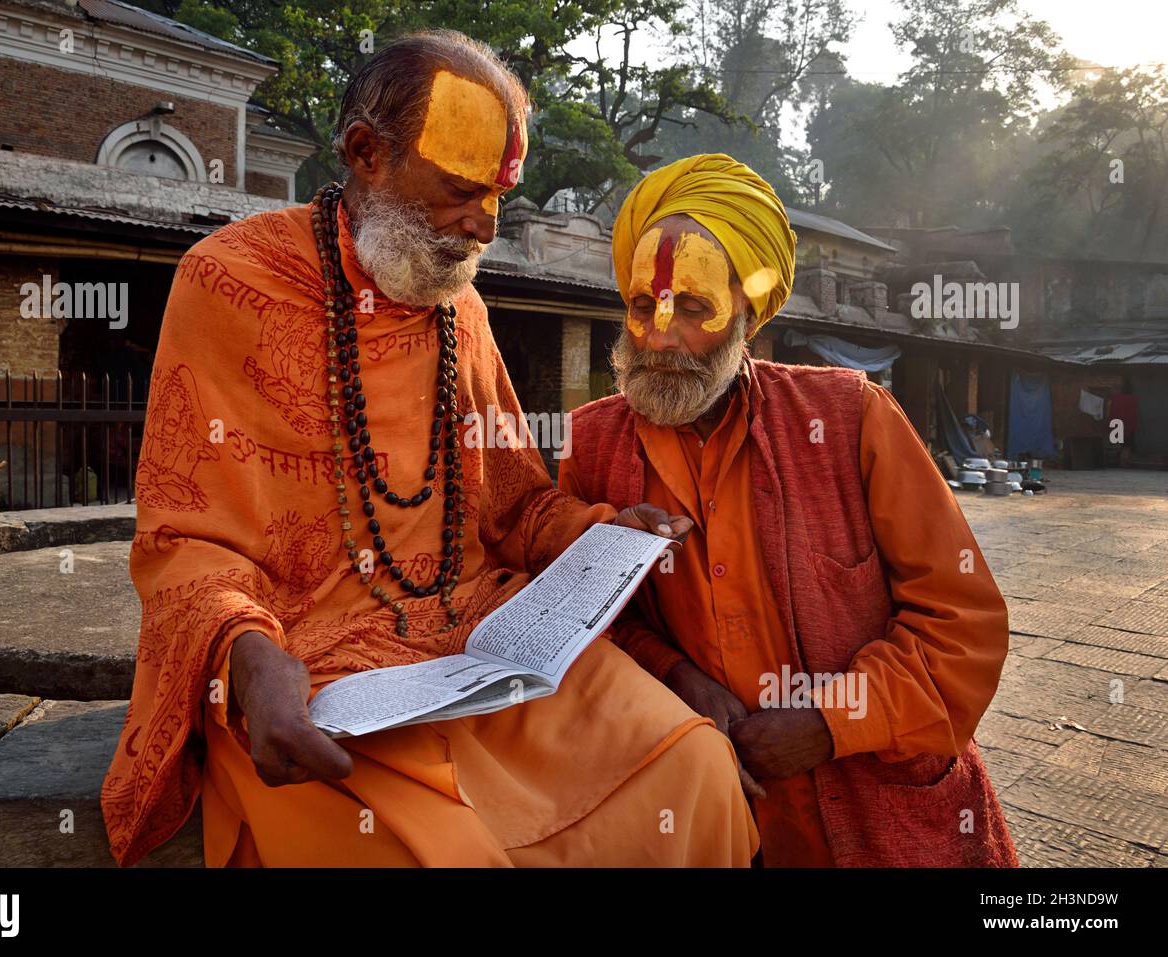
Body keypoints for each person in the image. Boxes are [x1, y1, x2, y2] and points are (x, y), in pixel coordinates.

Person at [103, 33, 759, 868]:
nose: (483, 224)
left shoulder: (463, 310)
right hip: (312, 672)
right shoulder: (228, 282)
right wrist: (245, 653)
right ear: (364, 154)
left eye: (494, 196)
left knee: (693, 766)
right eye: (459, 191)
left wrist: (599, 534)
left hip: (480, 643)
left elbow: (516, 502)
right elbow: (182, 537)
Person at [560, 153, 1018, 867]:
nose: (658, 334)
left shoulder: (850, 418)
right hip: (701, 813)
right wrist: (674, 679)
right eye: (642, 305)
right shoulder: (591, 442)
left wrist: (830, 722)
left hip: (879, 813)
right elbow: (578, 627)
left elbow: (964, 629)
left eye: (693, 305)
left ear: (749, 307)